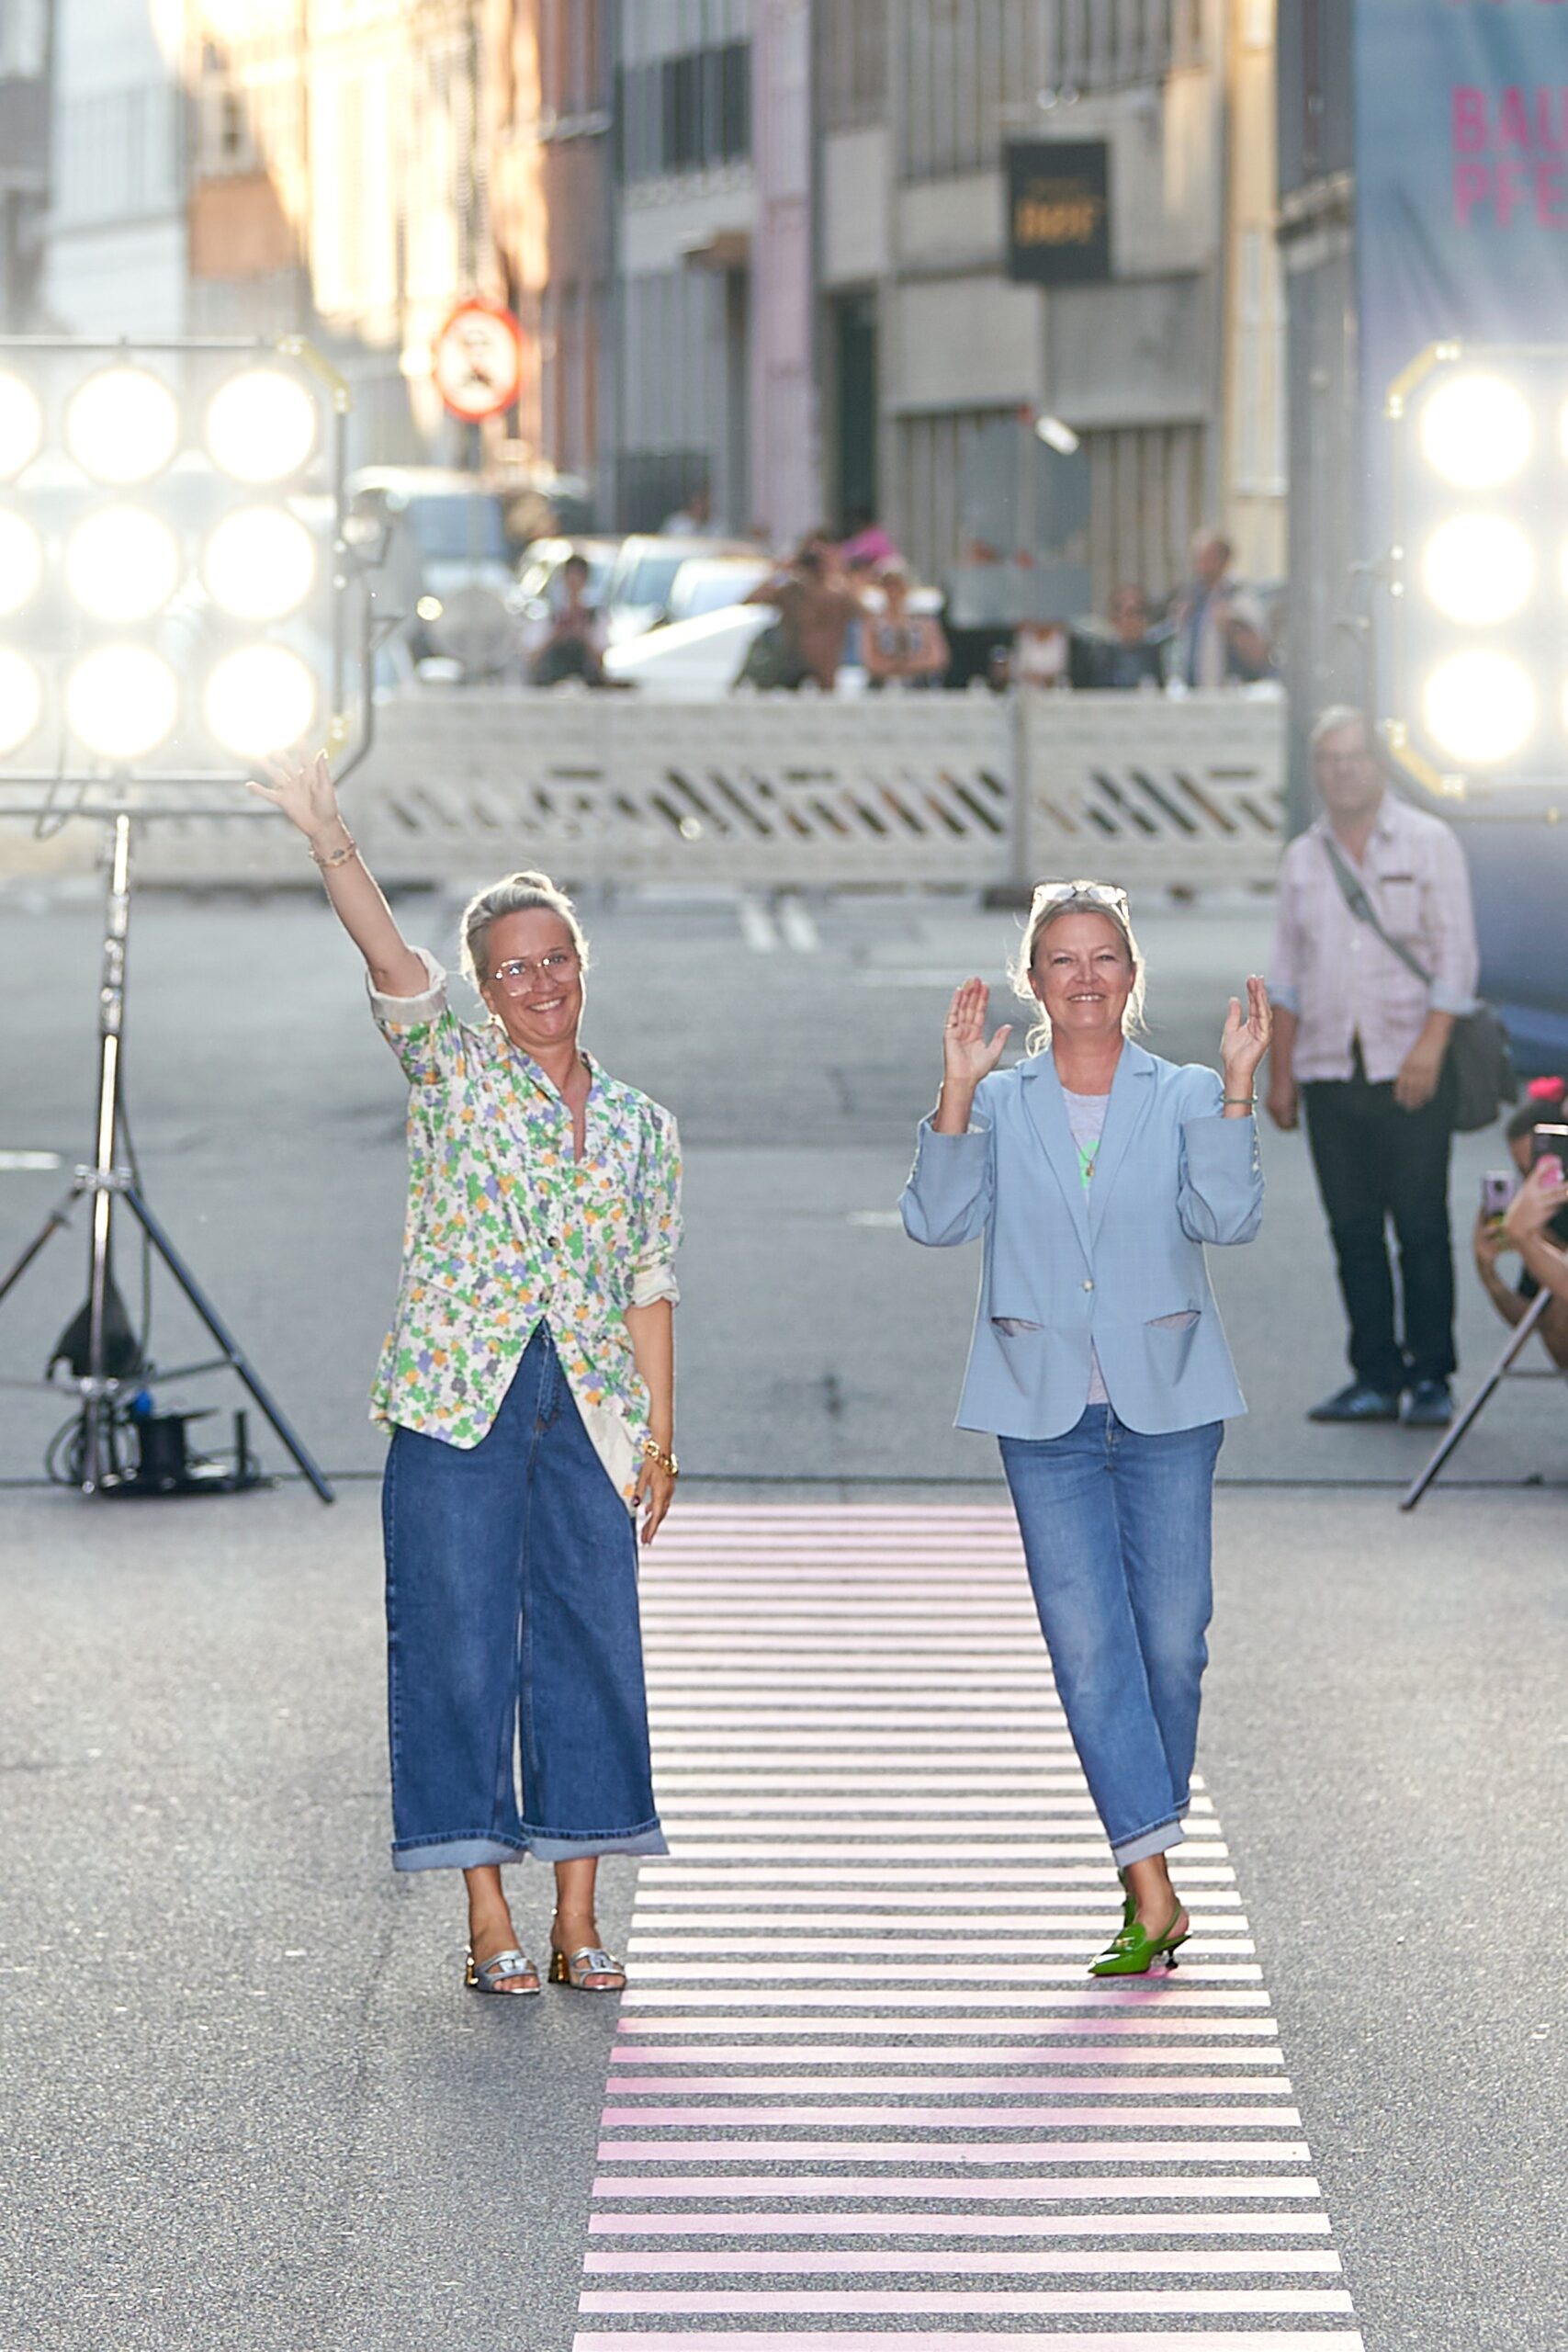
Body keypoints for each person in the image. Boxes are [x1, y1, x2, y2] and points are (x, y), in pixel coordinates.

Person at [246, 749, 682, 1998]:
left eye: (554, 960)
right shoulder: (452, 1074)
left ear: (582, 968)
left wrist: (659, 1439)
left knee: (593, 1645)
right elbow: (387, 958)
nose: (536, 984)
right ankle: (487, 1905)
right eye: (511, 969)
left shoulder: (645, 1124)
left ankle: (579, 1911)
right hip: (457, 1398)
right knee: (457, 1643)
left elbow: (650, 1286)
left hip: (590, 1413)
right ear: (483, 992)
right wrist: (330, 835)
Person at [900, 880, 1269, 1976]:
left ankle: (1144, 1872)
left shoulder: (1190, 1088)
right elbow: (935, 1219)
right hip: (1041, 1403)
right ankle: (1151, 1884)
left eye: (1104, 956)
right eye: (1063, 960)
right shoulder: (1003, 1102)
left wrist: (1242, 1085)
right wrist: (957, 1093)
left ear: (1132, 974)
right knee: (1088, 1648)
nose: (1086, 978)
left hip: (1169, 1396)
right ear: (1034, 980)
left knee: (1172, 1644)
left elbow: (1228, 1218)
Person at [1268, 706, 1481, 1427]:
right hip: (1331, 1067)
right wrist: (1280, 1071)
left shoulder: (1427, 841)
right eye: (1327, 758)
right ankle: (1372, 1374)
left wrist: (1430, 1044)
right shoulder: (1302, 857)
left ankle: (1430, 1377)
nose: (1341, 770)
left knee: (1419, 1225)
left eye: (1354, 756)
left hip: (1411, 1064)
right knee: (1352, 1230)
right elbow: (1287, 972)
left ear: (1381, 762)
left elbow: (1457, 956)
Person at [1474, 1092, 1568, 1370]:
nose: (1530, 1181)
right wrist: (1488, 1273)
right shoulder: (1543, 1216)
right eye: (1522, 1171)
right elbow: (1534, 1320)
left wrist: (1532, 1242)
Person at [741, 536, 863, 690]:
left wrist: (838, 573)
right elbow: (750, 600)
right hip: (794, 662)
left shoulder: (836, 595)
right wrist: (781, 572)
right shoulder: (791, 592)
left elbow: (863, 612)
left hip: (824, 666)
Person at [1168, 530, 1271, 688]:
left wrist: (1231, 625)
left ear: (1225, 560)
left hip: (1230, 692)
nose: (1201, 564)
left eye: (1209, 558)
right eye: (1198, 558)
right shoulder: (1193, 597)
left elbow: (1259, 653)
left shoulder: (1240, 597)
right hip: (1194, 693)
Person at [863, 561, 949, 689]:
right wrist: (891, 666)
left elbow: (937, 657)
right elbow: (869, 659)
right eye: (888, 586)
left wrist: (911, 665)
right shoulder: (874, 623)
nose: (893, 591)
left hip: (919, 685)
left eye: (897, 585)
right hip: (883, 685)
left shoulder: (924, 621)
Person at [528, 553, 605, 687]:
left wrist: (582, 635)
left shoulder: (596, 618)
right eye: (570, 577)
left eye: (578, 577)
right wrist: (556, 635)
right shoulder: (550, 616)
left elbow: (602, 662)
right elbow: (532, 659)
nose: (574, 583)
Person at [1070, 584, 1167, 692]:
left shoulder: (1160, 655)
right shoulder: (1097, 657)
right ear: (1114, 617)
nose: (1131, 620)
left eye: (1137, 613)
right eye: (1127, 613)